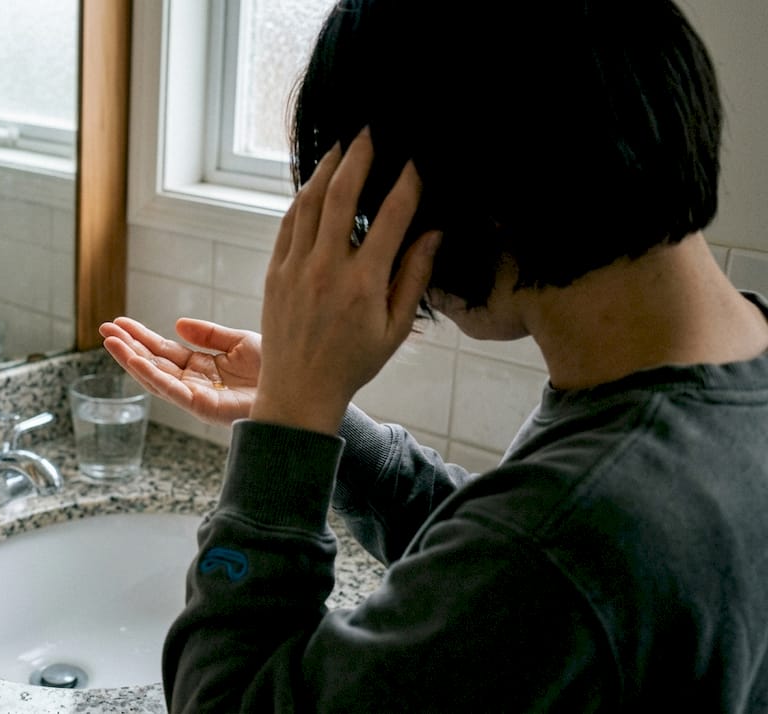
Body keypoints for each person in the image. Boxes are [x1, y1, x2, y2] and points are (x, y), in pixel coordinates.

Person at [101, 1, 768, 711]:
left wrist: (290, 429)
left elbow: (224, 700)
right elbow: (501, 578)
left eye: (363, 203)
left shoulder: (572, 542)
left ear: (458, 187)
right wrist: (331, 430)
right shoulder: (727, 374)